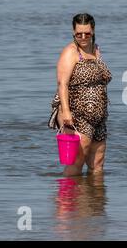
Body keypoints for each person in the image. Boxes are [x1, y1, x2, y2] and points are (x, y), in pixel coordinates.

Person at [48, 13, 112, 177]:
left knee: (98, 165)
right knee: (76, 164)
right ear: (73, 32)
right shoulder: (71, 52)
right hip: (77, 116)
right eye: (79, 34)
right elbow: (63, 84)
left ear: (93, 30)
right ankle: (68, 200)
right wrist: (67, 112)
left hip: (99, 118)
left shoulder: (96, 49)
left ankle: (94, 201)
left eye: (87, 33)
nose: (83, 37)